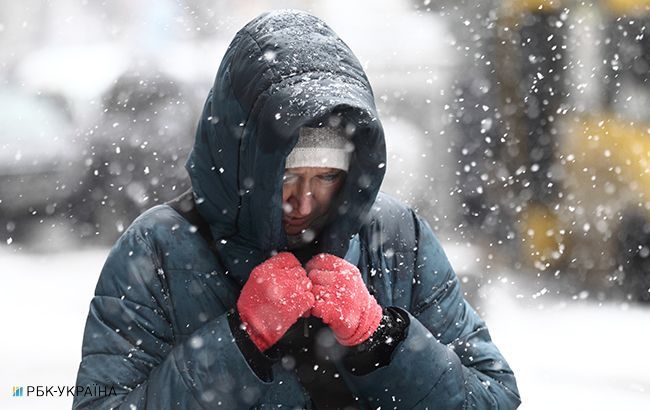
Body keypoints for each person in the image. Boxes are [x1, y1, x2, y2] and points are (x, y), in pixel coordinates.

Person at [73, 9, 520, 409]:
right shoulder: (158, 249)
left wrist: (381, 338)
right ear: (243, 161)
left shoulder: (398, 236)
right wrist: (239, 342)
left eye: (327, 177)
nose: (304, 201)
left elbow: (494, 397)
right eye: (285, 176)